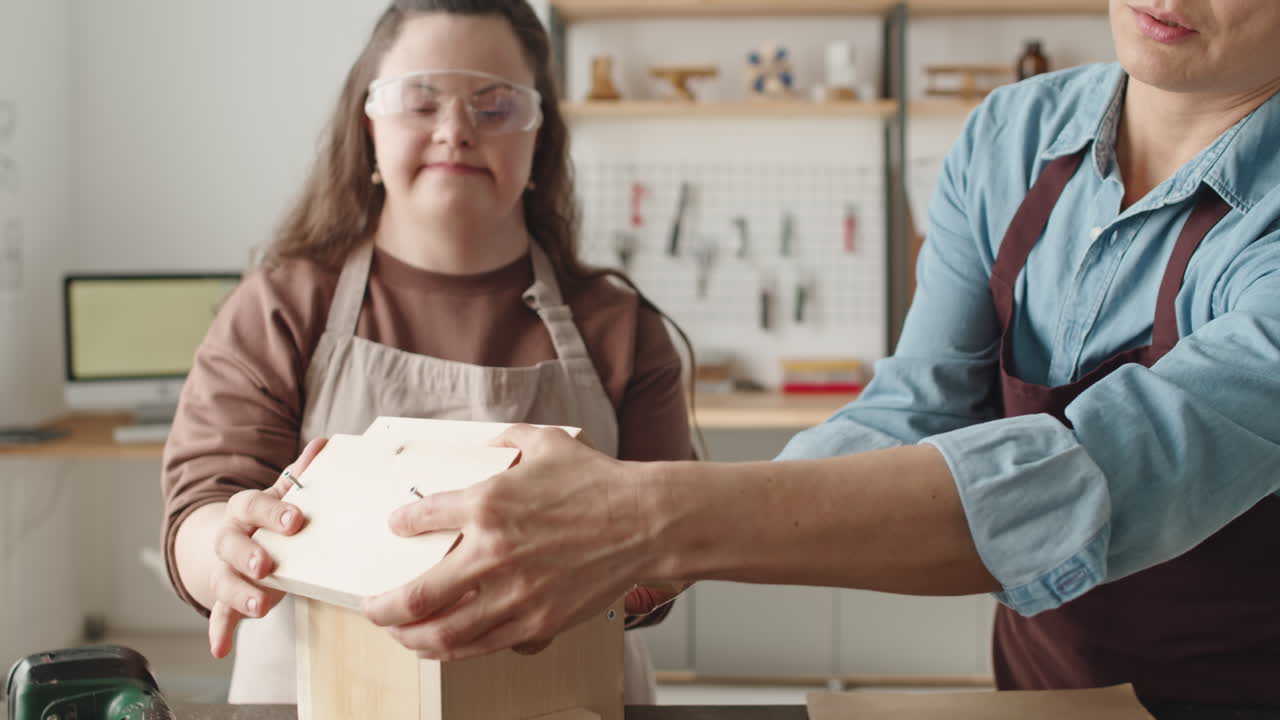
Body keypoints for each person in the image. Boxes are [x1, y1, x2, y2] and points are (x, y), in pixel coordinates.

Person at [355, 0, 1280, 708]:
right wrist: (658, 557)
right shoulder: (1012, 138)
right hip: (1043, 695)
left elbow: (1102, 473)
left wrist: (654, 515)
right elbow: (915, 411)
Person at [159, 0, 695, 705]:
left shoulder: (619, 326)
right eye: (420, 100)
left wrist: (620, 572)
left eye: (495, 105)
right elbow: (204, 506)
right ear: (368, 123)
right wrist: (220, 551)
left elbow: (673, 544)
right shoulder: (281, 309)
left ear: (541, 139)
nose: (454, 132)